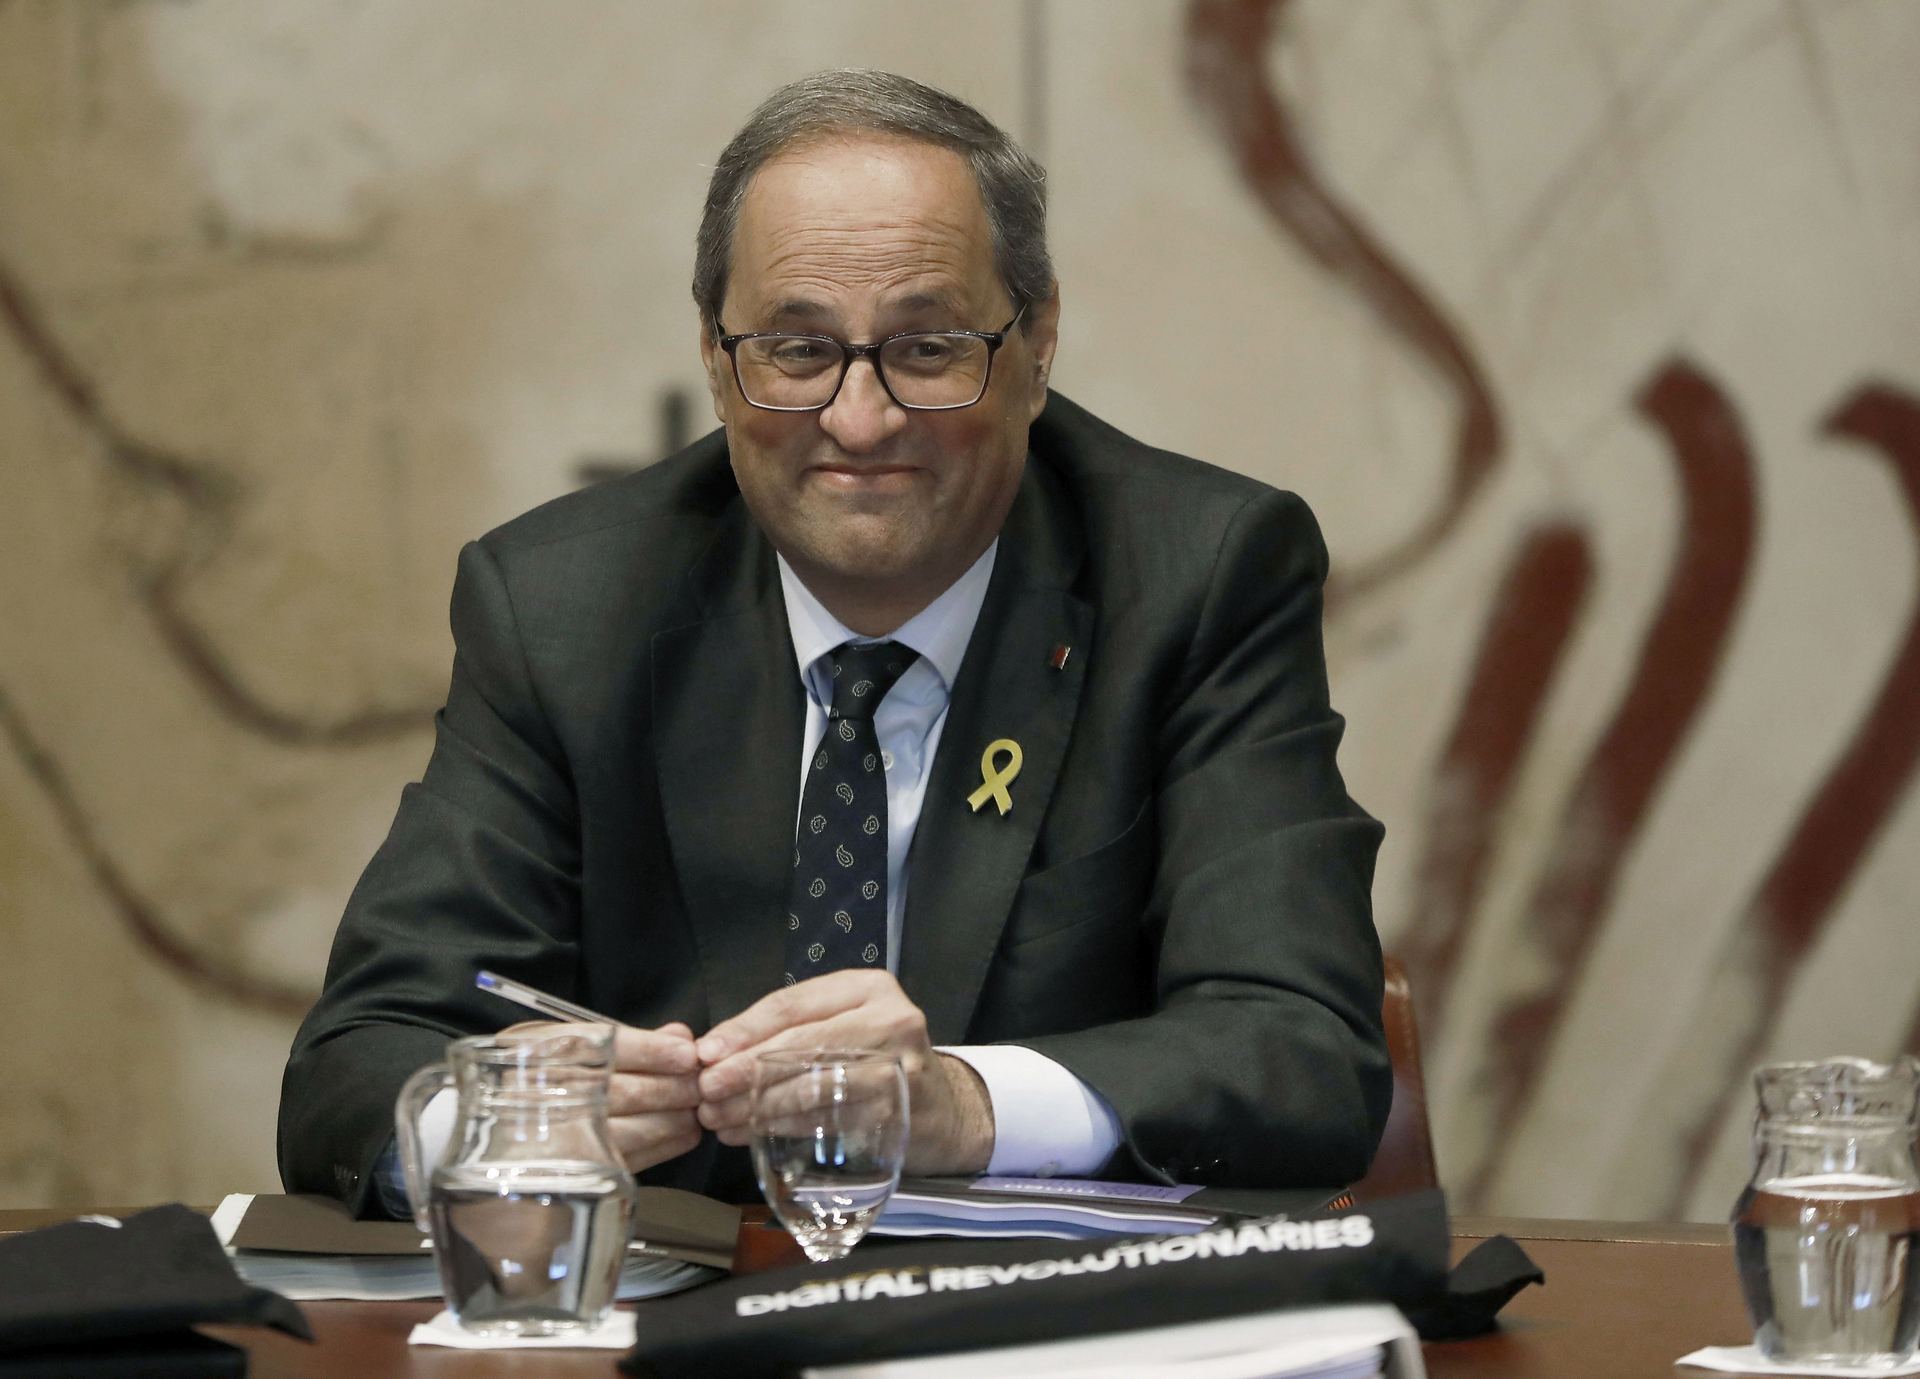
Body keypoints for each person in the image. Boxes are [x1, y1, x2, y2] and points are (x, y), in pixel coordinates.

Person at [278, 70, 1390, 1215]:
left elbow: (1301, 1049)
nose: (862, 421)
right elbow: (355, 1065)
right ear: (716, 359)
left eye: (928, 346)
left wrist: (959, 1103)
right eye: (799, 352)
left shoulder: (1200, 574)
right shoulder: (564, 606)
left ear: (1038, 341)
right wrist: (516, 1117)